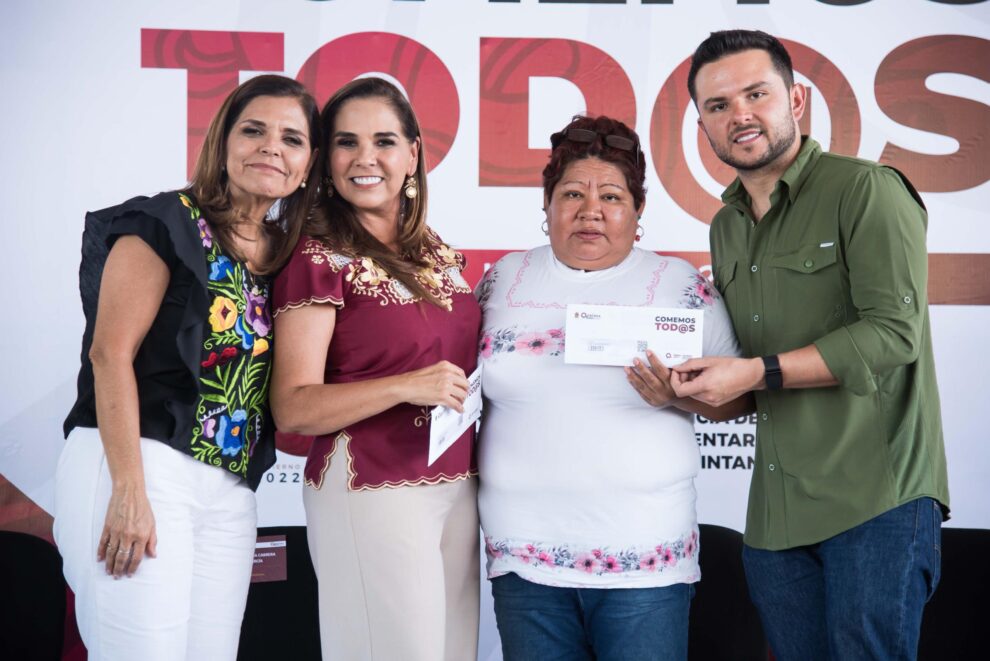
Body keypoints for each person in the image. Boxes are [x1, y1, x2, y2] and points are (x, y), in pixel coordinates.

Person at [676, 29, 950, 660]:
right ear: (702, 124)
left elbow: (894, 334)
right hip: (776, 518)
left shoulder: (866, 189)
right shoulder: (726, 227)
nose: (739, 114)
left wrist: (754, 373)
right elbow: (753, 377)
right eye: (718, 105)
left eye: (756, 94)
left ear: (795, 99)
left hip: (876, 501)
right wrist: (682, 392)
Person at [54, 75, 319, 660]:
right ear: (223, 142)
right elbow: (109, 353)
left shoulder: (286, 255)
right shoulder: (166, 222)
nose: (271, 147)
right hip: (140, 464)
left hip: (230, 488)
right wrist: (128, 490)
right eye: (253, 131)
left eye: (291, 139)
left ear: (307, 166)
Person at [475, 114, 752, 661]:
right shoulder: (502, 278)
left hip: (644, 566)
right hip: (524, 561)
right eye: (571, 194)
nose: (591, 211)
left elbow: (740, 399)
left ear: (638, 209)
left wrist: (676, 395)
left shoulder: (680, 286)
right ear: (547, 204)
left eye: (611, 196)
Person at [270, 77, 480, 661]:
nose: (366, 158)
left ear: (412, 154)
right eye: (347, 142)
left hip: (457, 485)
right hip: (373, 488)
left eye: (384, 141)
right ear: (325, 158)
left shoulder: (432, 249)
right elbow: (293, 406)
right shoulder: (315, 256)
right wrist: (406, 386)